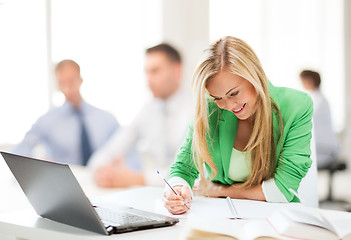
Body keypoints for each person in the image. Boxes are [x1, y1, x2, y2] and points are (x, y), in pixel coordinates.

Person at [163, 36, 314, 215]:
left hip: (275, 219)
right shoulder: (210, 107)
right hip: (221, 217)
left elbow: (282, 190)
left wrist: (218, 191)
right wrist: (176, 190)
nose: (228, 105)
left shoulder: (297, 106)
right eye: (218, 98)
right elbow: (183, 167)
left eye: (233, 93)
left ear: (254, 75)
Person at [88, 43, 193, 187]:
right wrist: (101, 171)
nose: (148, 80)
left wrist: (137, 179)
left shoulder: (196, 110)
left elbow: (191, 173)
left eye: (155, 71)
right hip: (150, 196)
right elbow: (110, 150)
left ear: (176, 71)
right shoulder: (148, 110)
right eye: (147, 72)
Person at [13, 60, 119, 165]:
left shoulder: (107, 119)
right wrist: (38, 165)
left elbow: (126, 152)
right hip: (62, 180)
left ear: (80, 80)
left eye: (71, 81)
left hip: (101, 179)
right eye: (62, 83)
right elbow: (19, 152)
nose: (67, 89)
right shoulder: (47, 120)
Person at [300, 70, 339, 168]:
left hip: (324, 149)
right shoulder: (316, 98)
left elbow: (308, 122)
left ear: (310, 80)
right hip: (321, 146)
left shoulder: (320, 101)